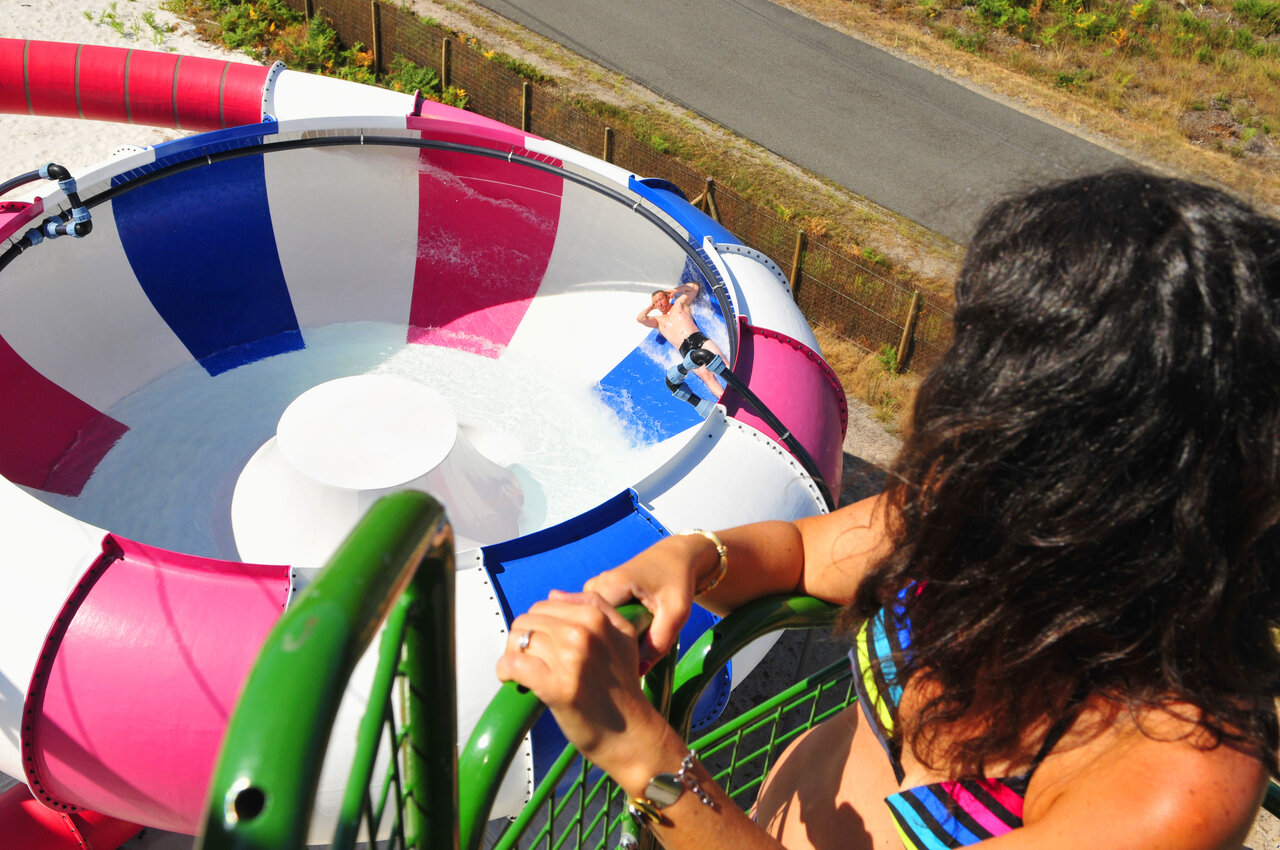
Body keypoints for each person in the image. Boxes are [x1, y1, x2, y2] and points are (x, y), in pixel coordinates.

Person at [498, 170, 1280, 850]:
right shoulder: (994, 525)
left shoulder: (1176, 779)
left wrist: (637, 749)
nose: (947, 401)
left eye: (993, 377)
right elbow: (807, 553)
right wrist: (696, 558)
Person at [638, 281, 727, 397]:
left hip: (698, 338)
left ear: (667, 297)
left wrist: (675, 290)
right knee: (707, 376)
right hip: (686, 350)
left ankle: (741, 381)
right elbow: (640, 318)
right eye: (656, 302)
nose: (659, 303)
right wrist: (651, 306)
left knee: (722, 361)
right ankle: (725, 399)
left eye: (660, 299)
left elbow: (694, 287)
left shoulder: (679, 304)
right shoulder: (657, 321)